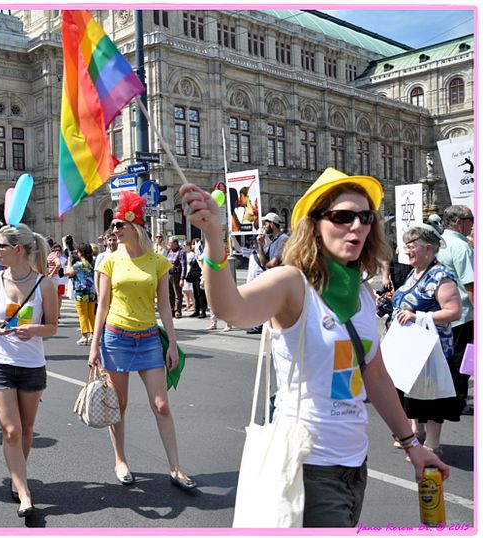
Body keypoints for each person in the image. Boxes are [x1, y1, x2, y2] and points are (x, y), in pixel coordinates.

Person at [180, 168, 449, 527]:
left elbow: (377, 377)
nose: (356, 226)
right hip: (308, 466)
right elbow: (231, 309)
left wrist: (413, 446)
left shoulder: (364, 293)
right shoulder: (293, 283)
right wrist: (214, 238)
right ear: (316, 224)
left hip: (354, 465)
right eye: (343, 216)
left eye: (365, 217)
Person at [88, 191, 197, 491]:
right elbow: (103, 305)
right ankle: (120, 459)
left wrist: (172, 343)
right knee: (118, 405)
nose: (115, 230)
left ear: (135, 227)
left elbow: (164, 306)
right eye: (113, 226)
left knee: (161, 405)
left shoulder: (157, 262)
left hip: (148, 338)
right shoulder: (108, 262)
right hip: (116, 338)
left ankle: (175, 468)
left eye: (120, 225)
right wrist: (95, 345)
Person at [0, 223, 58, 518]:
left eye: (0, 246)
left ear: (18, 249)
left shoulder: (45, 285)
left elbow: (52, 326)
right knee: (11, 430)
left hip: (31, 365)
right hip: (0, 361)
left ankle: (17, 477)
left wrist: (33, 329)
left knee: (26, 430)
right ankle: (25, 492)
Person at [393, 223, 462, 455]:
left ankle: (432, 443)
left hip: (433, 349)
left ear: (429, 248)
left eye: (411, 246)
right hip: (411, 347)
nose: (407, 250)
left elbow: (453, 311)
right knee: (412, 392)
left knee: (432, 397)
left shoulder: (441, 276)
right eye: (406, 246)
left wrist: (418, 316)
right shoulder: (414, 273)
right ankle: (417, 431)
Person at [436, 205, 474, 415]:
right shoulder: (462, 247)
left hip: (445, 311)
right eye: (471, 219)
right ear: (459, 221)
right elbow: (470, 285)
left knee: (451, 357)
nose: (473, 224)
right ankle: (458, 400)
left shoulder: (440, 243)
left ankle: (452, 397)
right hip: (464, 312)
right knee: (464, 358)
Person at [66, 243, 96, 345]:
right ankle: (93, 335)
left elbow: (68, 273)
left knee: (82, 315)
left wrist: (69, 261)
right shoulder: (93, 263)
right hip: (91, 292)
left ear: (80, 253)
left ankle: (84, 336)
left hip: (80, 292)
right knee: (91, 314)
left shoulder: (78, 265)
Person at [165, 237, 187, 318]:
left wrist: (182, 278)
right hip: (168, 274)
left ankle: (178, 311)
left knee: (178, 294)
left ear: (175, 243)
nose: (169, 244)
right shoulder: (169, 251)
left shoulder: (181, 252)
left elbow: (183, 266)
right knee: (170, 294)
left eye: (170, 242)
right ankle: (171, 311)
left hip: (176, 274)